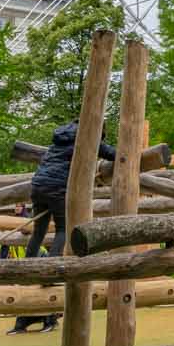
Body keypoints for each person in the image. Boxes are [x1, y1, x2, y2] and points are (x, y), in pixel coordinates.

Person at [14, 119, 118, 330]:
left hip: (38, 185)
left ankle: (27, 268)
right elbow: (112, 154)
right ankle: (49, 271)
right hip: (57, 187)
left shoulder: (60, 138)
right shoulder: (87, 136)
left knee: (39, 231)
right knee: (64, 228)